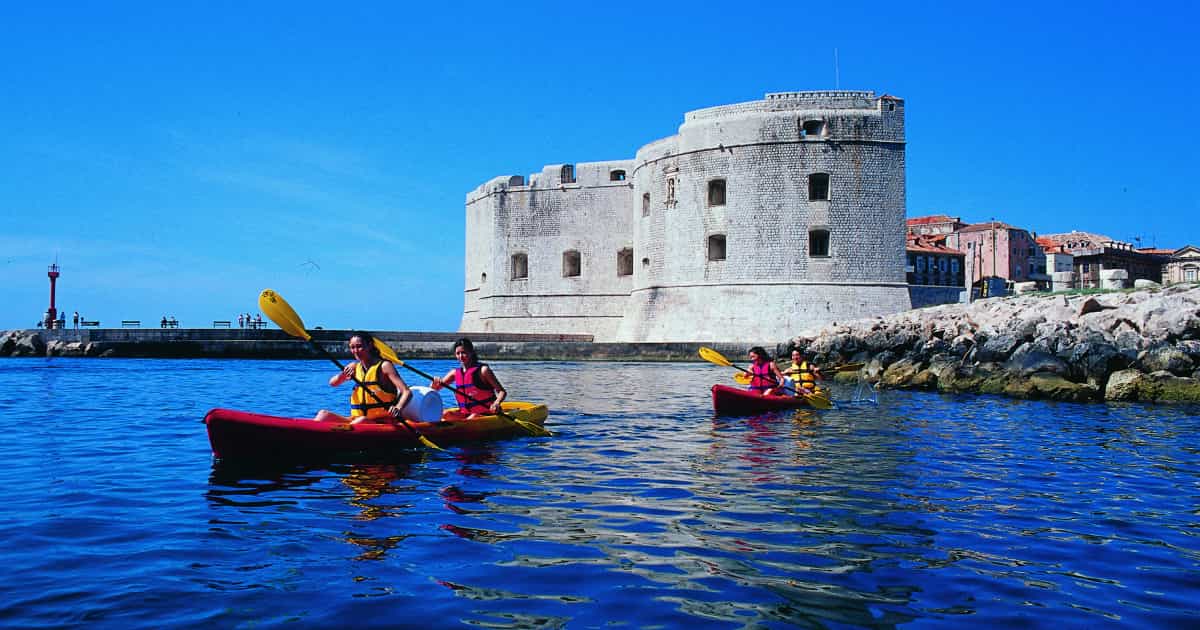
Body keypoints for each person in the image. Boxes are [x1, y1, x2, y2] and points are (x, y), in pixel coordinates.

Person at [314, 331, 413, 425]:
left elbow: (406, 392)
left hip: (382, 421)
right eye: (352, 347)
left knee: (361, 421)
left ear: (369, 345)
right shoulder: (354, 367)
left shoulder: (384, 366)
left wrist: (398, 408)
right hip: (357, 419)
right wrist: (343, 375)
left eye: (359, 347)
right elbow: (333, 383)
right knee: (323, 414)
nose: (355, 351)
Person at [432, 337, 507, 419]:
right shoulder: (454, 373)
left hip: (487, 414)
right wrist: (434, 384)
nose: (461, 356)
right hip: (466, 414)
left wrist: (496, 403)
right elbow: (434, 389)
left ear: (471, 352)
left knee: (474, 416)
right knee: (445, 414)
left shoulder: (483, 370)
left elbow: (501, 391)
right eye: (458, 353)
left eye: (463, 353)